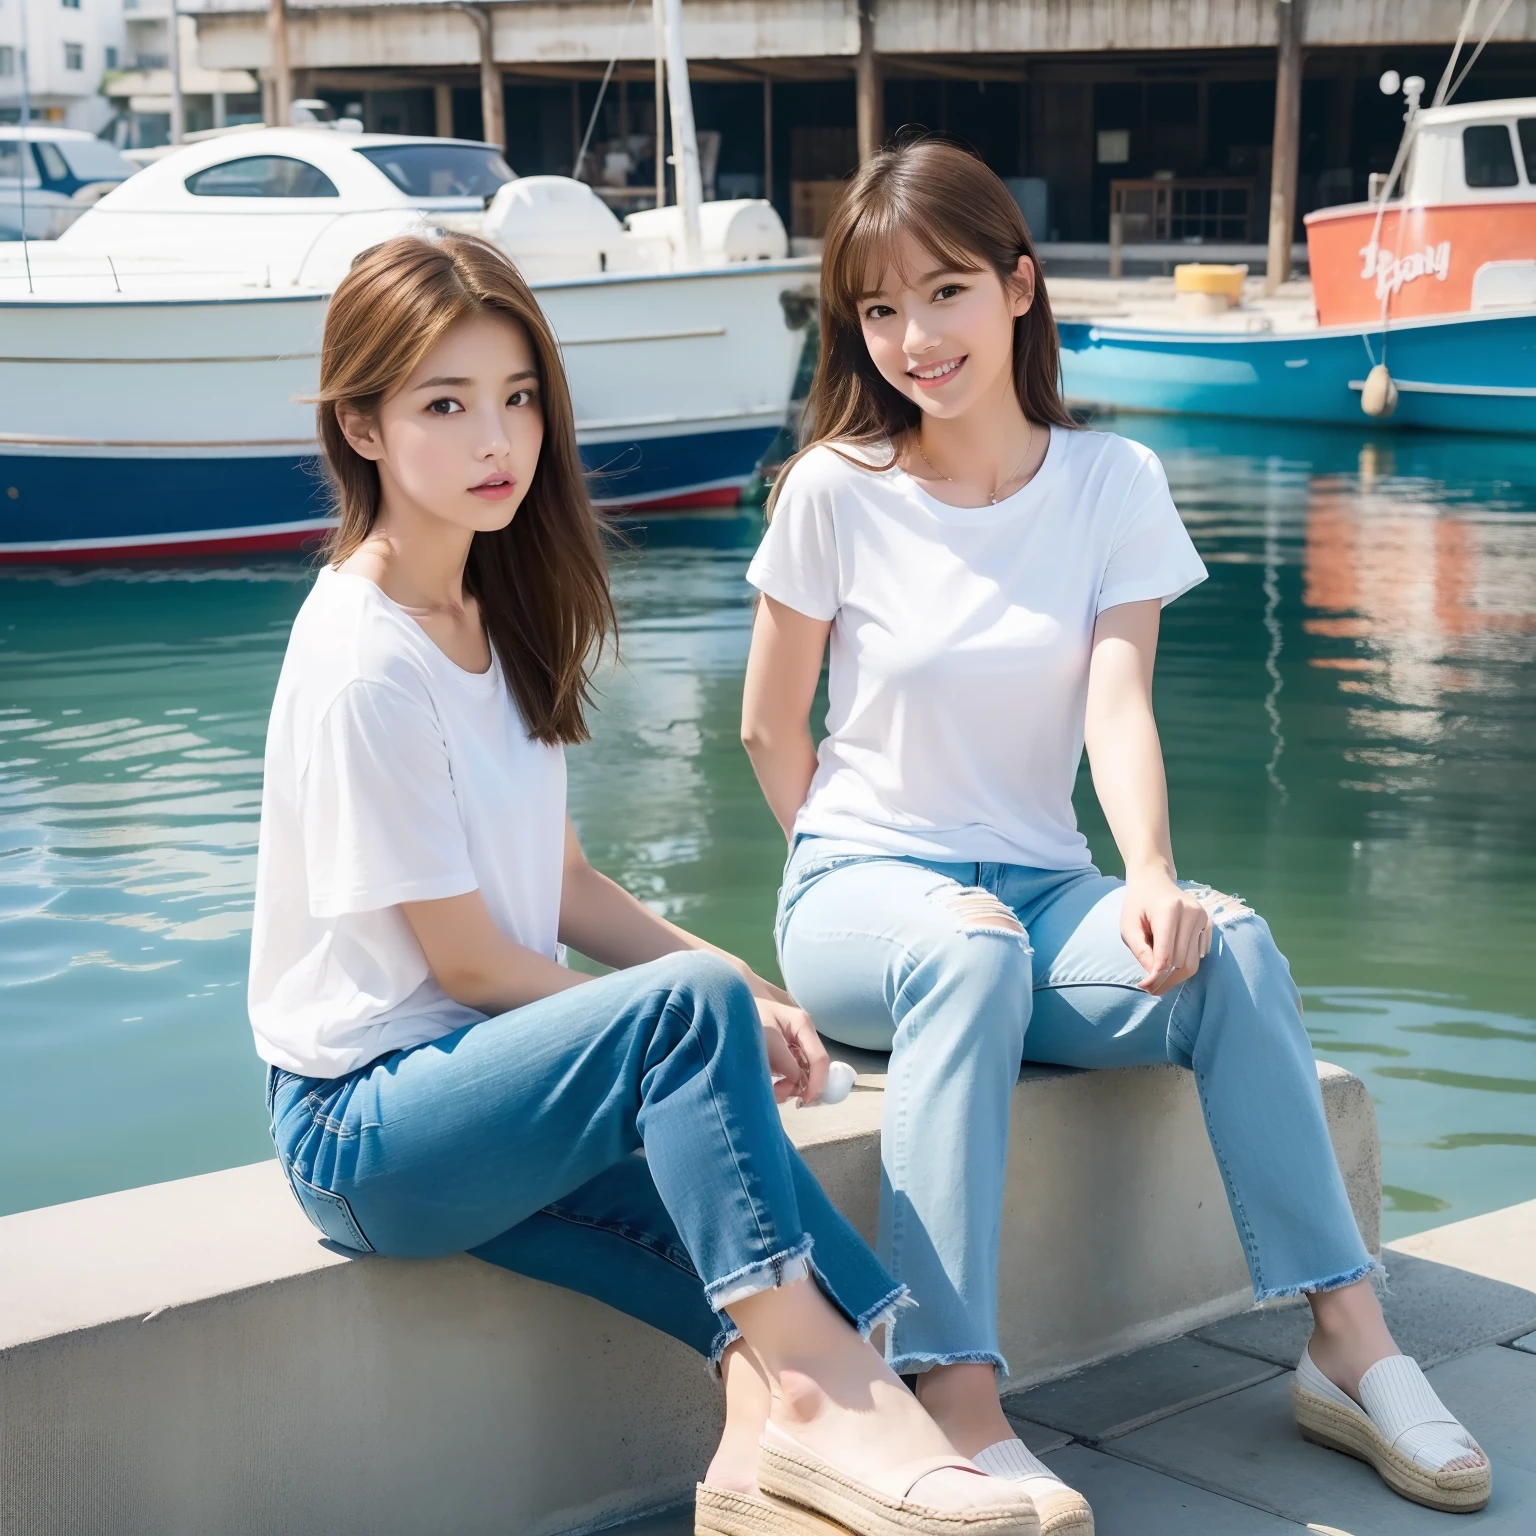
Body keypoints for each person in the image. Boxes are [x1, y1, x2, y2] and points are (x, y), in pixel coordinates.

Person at [740, 139, 1491, 1525]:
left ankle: (1347, 1342)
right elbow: (768, 731)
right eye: (881, 310)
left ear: (1020, 289)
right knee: (961, 950)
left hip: (1040, 890)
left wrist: (1149, 876)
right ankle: (957, 1392)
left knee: (1230, 947)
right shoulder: (834, 490)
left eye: (947, 292)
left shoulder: (1110, 485)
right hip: (862, 894)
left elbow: (1117, 706)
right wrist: (852, 868)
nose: (916, 338)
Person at [247, 232, 1040, 1536]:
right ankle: (835, 1407)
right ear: (364, 426)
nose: (496, 437)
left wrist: (746, 984)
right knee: (681, 1029)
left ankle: (764, 1461)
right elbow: (465, 965)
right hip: (364, 1127)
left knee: (743, 1184)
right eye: (445, 405)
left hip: (485, 1087)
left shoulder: (499, 616)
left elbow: (553, 882)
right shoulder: (361, 655)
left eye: (517, 397)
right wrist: (686, 1019)